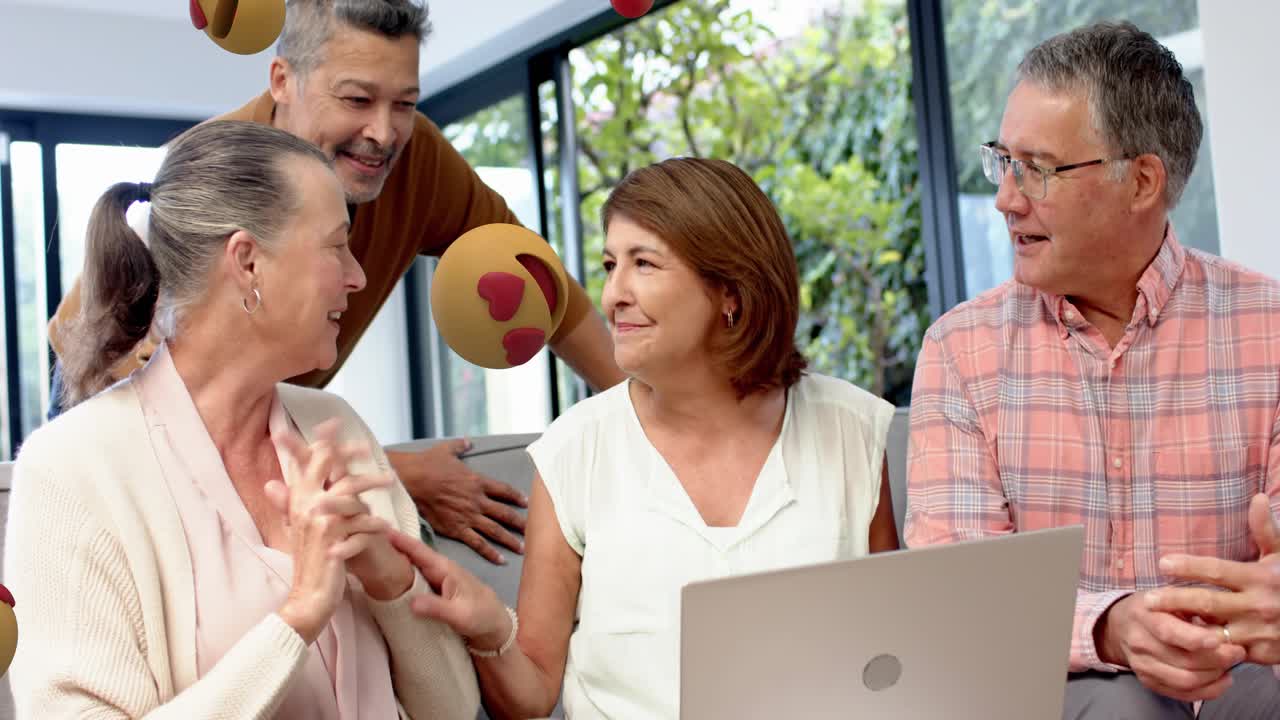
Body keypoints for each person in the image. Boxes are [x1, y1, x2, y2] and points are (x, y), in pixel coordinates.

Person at [45, 0, 627, 566]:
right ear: (282, 80)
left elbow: (539, 281)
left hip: (278, 437)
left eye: (405, 103)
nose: (384, 132)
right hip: (141, 427)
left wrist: (641, 410)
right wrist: (392, 474)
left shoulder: (417, 158)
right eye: (356, 99)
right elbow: (150, 426)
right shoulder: (216, 178)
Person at [374, 157, 898, 718]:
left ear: (731, 290)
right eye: (609, 264)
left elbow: (892, 657)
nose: (612, 295)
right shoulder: (576, 448)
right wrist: (489, 630)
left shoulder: (850, 430)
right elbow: (530, 695)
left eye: (643, 263)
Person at [4, 120, 479, 718]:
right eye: (336, 246)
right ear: (248, 262)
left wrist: (392, 586)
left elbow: (453, 709)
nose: (357, 275)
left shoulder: (337, 426)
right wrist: (299, 615)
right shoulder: (69, 468)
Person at [904, 21, 1280, 719]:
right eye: (1002, 161)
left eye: (1037, 168)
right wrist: (1110, 626)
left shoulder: (1270, 329)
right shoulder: (961, 351)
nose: (1006, 199)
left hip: (1242, 679)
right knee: (1125, 709)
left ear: (1142, 181)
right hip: (1067, 694)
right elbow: (955, 593)